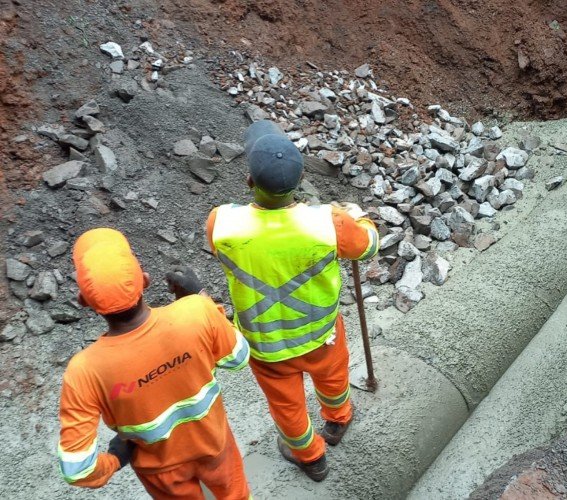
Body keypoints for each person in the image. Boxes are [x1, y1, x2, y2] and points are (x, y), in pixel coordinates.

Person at [206, 121, 379, 481]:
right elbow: (367, 247)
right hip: (322, 335)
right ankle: (337, 422)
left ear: (249, 181)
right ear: (300, 181)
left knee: (287, 407)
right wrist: (359, 218)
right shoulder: (328, 223)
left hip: (268, 347)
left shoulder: (221, 224)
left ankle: (310, 457)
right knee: (332, 383)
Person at [57, 228, 252, 499]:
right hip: (215, 445)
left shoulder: (84, 371)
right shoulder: (195, 311)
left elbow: (78, 470)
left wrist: (114, 458)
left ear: (83, 301)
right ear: (145, 280)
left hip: (161, 472)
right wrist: (201, 298)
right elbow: (238, 357)